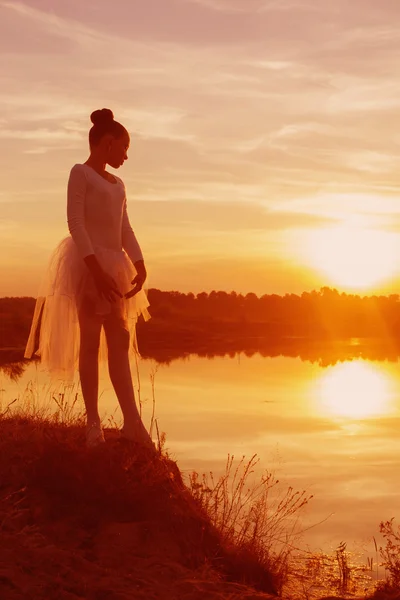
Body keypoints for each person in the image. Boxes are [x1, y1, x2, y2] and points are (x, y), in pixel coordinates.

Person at [25, 108, 153, 449]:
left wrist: (139, 263)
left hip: (116, 265)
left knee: (120, 345)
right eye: (124, 147)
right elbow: (76, 224)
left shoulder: (119, 184)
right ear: (107, 143)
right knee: (91, 342)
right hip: (89, 266)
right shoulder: (80, 173)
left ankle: (132, 422)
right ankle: (93, 423)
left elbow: (124, 227)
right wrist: (95, 270)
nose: (126, 155)